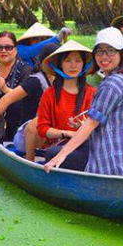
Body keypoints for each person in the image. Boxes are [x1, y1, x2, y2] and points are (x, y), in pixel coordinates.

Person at [44, 28, 123, 177]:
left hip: (115, 167)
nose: (104, 56)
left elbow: (91, 123)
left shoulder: (111, 84)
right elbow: (108, 122)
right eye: (99, 51)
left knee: (52, 153)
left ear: (121, 53)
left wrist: (61, 155)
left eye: (110, 50)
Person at [0, 43, 58, 160]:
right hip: (27, 136)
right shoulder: (34, 81)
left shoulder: (64, 82)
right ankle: (30, 160)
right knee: (40, 120)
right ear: (45, 62)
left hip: (53, 135)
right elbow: (5, 100)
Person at [37, 40, 98, 170]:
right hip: (59, 147)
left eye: (78, 60)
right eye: (68, 60)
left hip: (86, 148)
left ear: (84, 64)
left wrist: (81, 129)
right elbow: (42, 129)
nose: (73, 65)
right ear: (60, 64)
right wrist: (67, 133)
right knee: (52, 153)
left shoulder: (93, 93)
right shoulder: (49, 94)